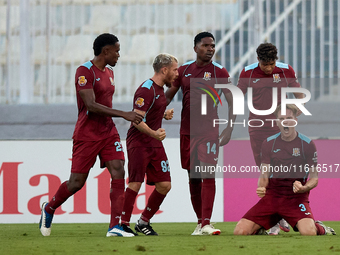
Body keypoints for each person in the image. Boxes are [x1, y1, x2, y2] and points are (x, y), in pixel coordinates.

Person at [39, 33, 143, 237]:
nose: (119, 55)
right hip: (87, 134)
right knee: (76, 182)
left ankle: (115, 227)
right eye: (117, 50)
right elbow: (91, 105)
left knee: (119, 170)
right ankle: (49, 208)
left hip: (108, 132)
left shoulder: (110, 73)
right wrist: (124, 114)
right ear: (106, 51)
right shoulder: (84, 71)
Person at [165, 32, 235, 235]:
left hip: (209, 133)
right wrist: (153, 111)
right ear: (195, 48)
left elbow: (233, 101)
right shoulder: (184, 70)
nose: (210, 49)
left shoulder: (219, 71)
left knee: (208, 175)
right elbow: (168, 96)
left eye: (212, 45)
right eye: (205, 45)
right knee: (193, 177)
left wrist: (229, 128)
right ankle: (199, 223)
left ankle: (206, 223)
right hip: (187, 132)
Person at [233, 104, 336, 236]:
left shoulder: (307, 144)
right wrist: (261, 187)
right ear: (277, 122)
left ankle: (321, 228)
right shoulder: (268, 143)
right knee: (239, 231)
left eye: (289, 117)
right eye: (281, 118)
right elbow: (264, 173)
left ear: (295, 120)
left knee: (309, 233)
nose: (285, 121)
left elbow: (315, 178)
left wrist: (303, 188)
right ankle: (261, 228)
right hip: (273, 197)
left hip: (296, 199)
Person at [237, 43, 305, 234]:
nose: (268, 68)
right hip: (257, 129)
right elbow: (235, 96)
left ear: (276, 60)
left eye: (271, 64)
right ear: (258, 60)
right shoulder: (248, 72)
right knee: (264, 171)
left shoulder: (285, 70)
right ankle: (276, 217)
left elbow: (299, 92)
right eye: (265, 64)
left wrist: (298, 104)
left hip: (281, 128)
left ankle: (277, 217)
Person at [118, 53, 178, 236]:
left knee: (165, 185)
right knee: (135, 183)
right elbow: (137, 119)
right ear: (164, 69)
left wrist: (162, 115)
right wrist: (153, 133)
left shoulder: (159, 89)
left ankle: (143, 222)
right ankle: (123, 225)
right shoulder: (146, 89)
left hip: (154, 143)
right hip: (139, 142)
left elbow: (149, 112)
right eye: (175, 70)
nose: (177, 74)